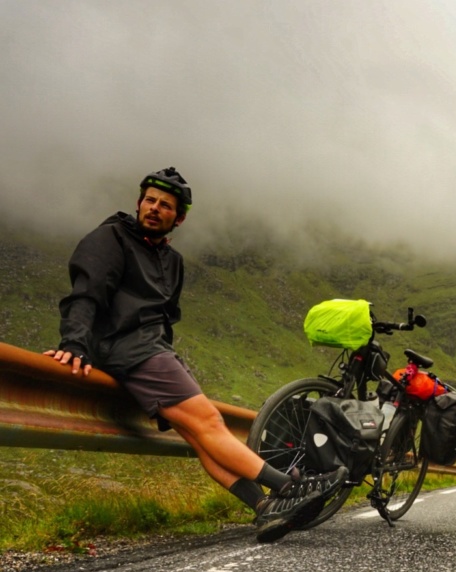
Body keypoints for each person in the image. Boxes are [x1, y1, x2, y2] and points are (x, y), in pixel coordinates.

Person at [45, 167, 346, 543]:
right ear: (139, 203)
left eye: (165, 205)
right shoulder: (111, 238)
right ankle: (289, 487)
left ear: (179, 217)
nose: (154, 208)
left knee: (198, 434)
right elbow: (86, 293)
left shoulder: (172, 261)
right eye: (149, 200)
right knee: (210, 422)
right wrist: (74, 344)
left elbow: (165, 315)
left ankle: (265, 507)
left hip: (153, 350)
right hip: (130, 349)